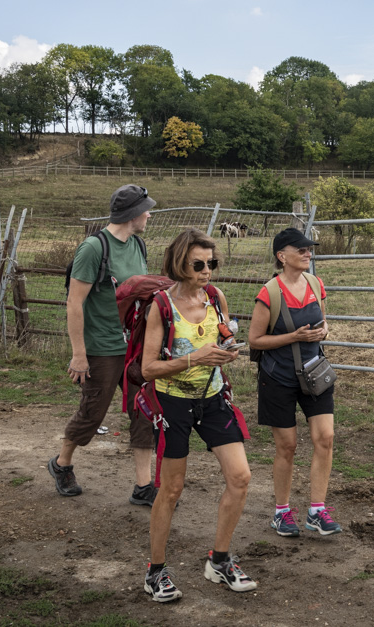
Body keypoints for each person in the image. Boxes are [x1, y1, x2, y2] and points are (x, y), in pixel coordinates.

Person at [142, 228, 254, 602]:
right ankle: (155, 572)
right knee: (171, 489)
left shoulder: (215, 297)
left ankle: (218, 561)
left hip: (213, 396)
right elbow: (148, 369)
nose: (208, 270)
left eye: (213, 263)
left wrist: (226, 352)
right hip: (172, 401)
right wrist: (196, 357)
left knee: (240, 477)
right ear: (180, 263)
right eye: (199, 264)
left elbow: (221, 340)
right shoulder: (160, 306)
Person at [47, 184, 160, 507]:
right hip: (101, 347)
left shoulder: (138, 245)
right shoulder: (93, 248)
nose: (149, 214)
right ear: (132, 214)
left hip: (136, 347)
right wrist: (79, 354)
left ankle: (143, 485)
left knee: (143, 411)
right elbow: (74, 303)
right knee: (93, 412)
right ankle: (62, 463)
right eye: (146, 209)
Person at [248, 228, 340, 538]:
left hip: (315, 374)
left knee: (325, 438)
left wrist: (323, 331)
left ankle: (317, 510)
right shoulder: (269, 293)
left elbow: (323, 321)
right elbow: (255, 340)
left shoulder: (315, 283)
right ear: (281, 256)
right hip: (278, 378)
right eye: (299, 249)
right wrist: (294, 337)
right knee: (287, 446)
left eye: (308, 248)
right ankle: (282, 512)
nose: (307, 253)